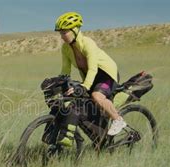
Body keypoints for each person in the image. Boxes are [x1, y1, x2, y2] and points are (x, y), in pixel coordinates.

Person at [54, 12, 126, 147]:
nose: (62, 36)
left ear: (75, 30)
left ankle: (118, 119)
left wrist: (84, 86)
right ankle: (100, 139)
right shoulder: (65, 49)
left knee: (96, 96)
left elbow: (93, 68)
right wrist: (60, 84)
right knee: (81, 103)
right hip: (90, 78)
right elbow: (65, 71)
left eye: (65, 32)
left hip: (106, 74)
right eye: (60, 33)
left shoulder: (88, 43)